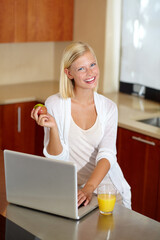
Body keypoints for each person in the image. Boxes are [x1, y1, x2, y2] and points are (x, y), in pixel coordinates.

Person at [31, 41, 131, 209]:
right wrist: (53, 128)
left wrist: (89, 188)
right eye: (81, 69)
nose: (90, 72)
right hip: (73, 189)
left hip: (106, 189)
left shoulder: (108, 108)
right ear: (69, 73)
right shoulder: (55, 104)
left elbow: (107, 155)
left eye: (92, 64)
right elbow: (56, 158)